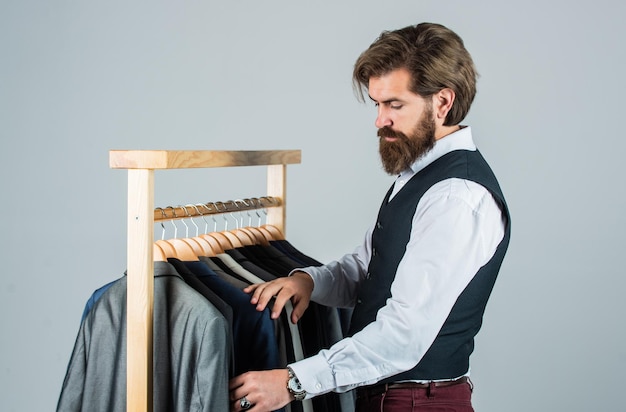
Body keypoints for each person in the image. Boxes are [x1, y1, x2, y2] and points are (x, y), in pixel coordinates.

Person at [229, 22, 511, 412]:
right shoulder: (418, 176)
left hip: (417, 404)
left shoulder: (456, 197)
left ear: (443, 102)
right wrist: (310, 282)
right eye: (377, 104)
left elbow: (403, 336)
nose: (380, 120)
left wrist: (294, 382)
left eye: (394, 105)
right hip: (387, 399)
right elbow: (368, 268)